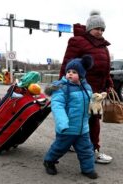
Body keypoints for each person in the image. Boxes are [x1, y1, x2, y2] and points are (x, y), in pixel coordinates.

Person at [59, 10, 114, 164]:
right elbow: (67, 65)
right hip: (80, 89)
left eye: (102, 29)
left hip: (97, 91)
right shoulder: (78, 42)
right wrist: (61, 87)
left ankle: (85, 146)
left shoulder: (103, 46)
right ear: (89, 28)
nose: (100, 31)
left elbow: (105, 68)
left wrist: (108, 82)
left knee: (92, 119)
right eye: (97, 28)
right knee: (82, 119)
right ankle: (92, 151)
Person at [43, 55, 98, 179]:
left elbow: (89, 103)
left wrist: (95, 106)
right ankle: (49, 161)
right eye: (68, 72)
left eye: (74, 72)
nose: (70, 74)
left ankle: (88, 169)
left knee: (86, 150)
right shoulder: (62, 88)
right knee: (59, 148)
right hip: (67, 128)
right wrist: (62, 123)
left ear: (82, 74)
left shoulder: (87, 87)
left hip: (83, 128)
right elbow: (57, 106)